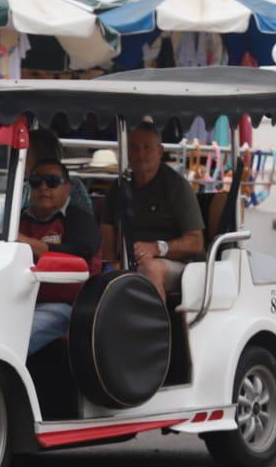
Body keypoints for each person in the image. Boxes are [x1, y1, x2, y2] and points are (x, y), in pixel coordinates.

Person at [100, 122, 205, 301]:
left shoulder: (176, 187)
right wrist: (111, 266)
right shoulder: (118, 188)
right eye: (134, 147)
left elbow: (196, 243)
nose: (140, 153)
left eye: (147, 147)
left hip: (182, 265)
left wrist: (157, 247)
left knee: (150, 269)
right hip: (130, 261)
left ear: (160, 151)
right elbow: (107, 242)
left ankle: (156, 327)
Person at [17, 159, 103, 355]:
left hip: (66, 307)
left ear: (67, 187)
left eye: (52, 181)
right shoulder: (17, 219)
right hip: (18, 301)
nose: (44, 187)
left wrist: (25, 242)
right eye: (37, 181)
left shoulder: (80, 219)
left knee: (14, 338)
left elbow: (79, 253)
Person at [25, 128, 93, 215]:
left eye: (26, 155)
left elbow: (85, 221)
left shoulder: (74, 187)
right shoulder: (24, 185)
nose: (22, 161)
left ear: (41, 156)